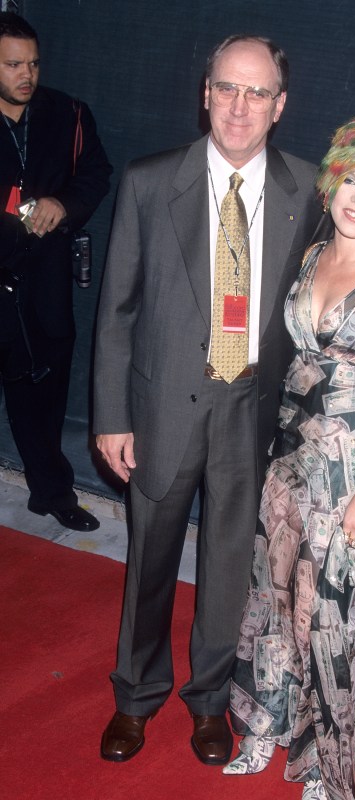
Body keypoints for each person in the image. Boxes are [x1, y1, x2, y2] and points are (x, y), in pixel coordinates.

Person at [94, 35, 327, 765]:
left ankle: (210, 702)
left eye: (257, 93)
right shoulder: (148, 181)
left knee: (228, 568)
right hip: (162, 408)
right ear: (205, 93)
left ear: (280, 107)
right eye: (227, 88)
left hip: (247, 414)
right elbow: (117, 311)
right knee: (150, 562)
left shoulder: (311, 190)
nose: (239, 106)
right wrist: (110, 417)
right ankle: (134, 697)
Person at [223, 113, 355, 800]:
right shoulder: (311, 257)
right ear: (329, 181)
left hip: (349, 477)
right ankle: (265, 723)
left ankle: (324, 767)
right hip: (286, 463)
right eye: (350, 178)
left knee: (328, 624)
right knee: (273, 601)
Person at [0, 12, 112, 532]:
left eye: (34, 63)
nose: (27, 74)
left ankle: (52, 493)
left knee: (45, 391)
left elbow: (96, 173)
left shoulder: (68, 112)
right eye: (13, 64)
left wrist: (63, 205)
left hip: (44, 281)